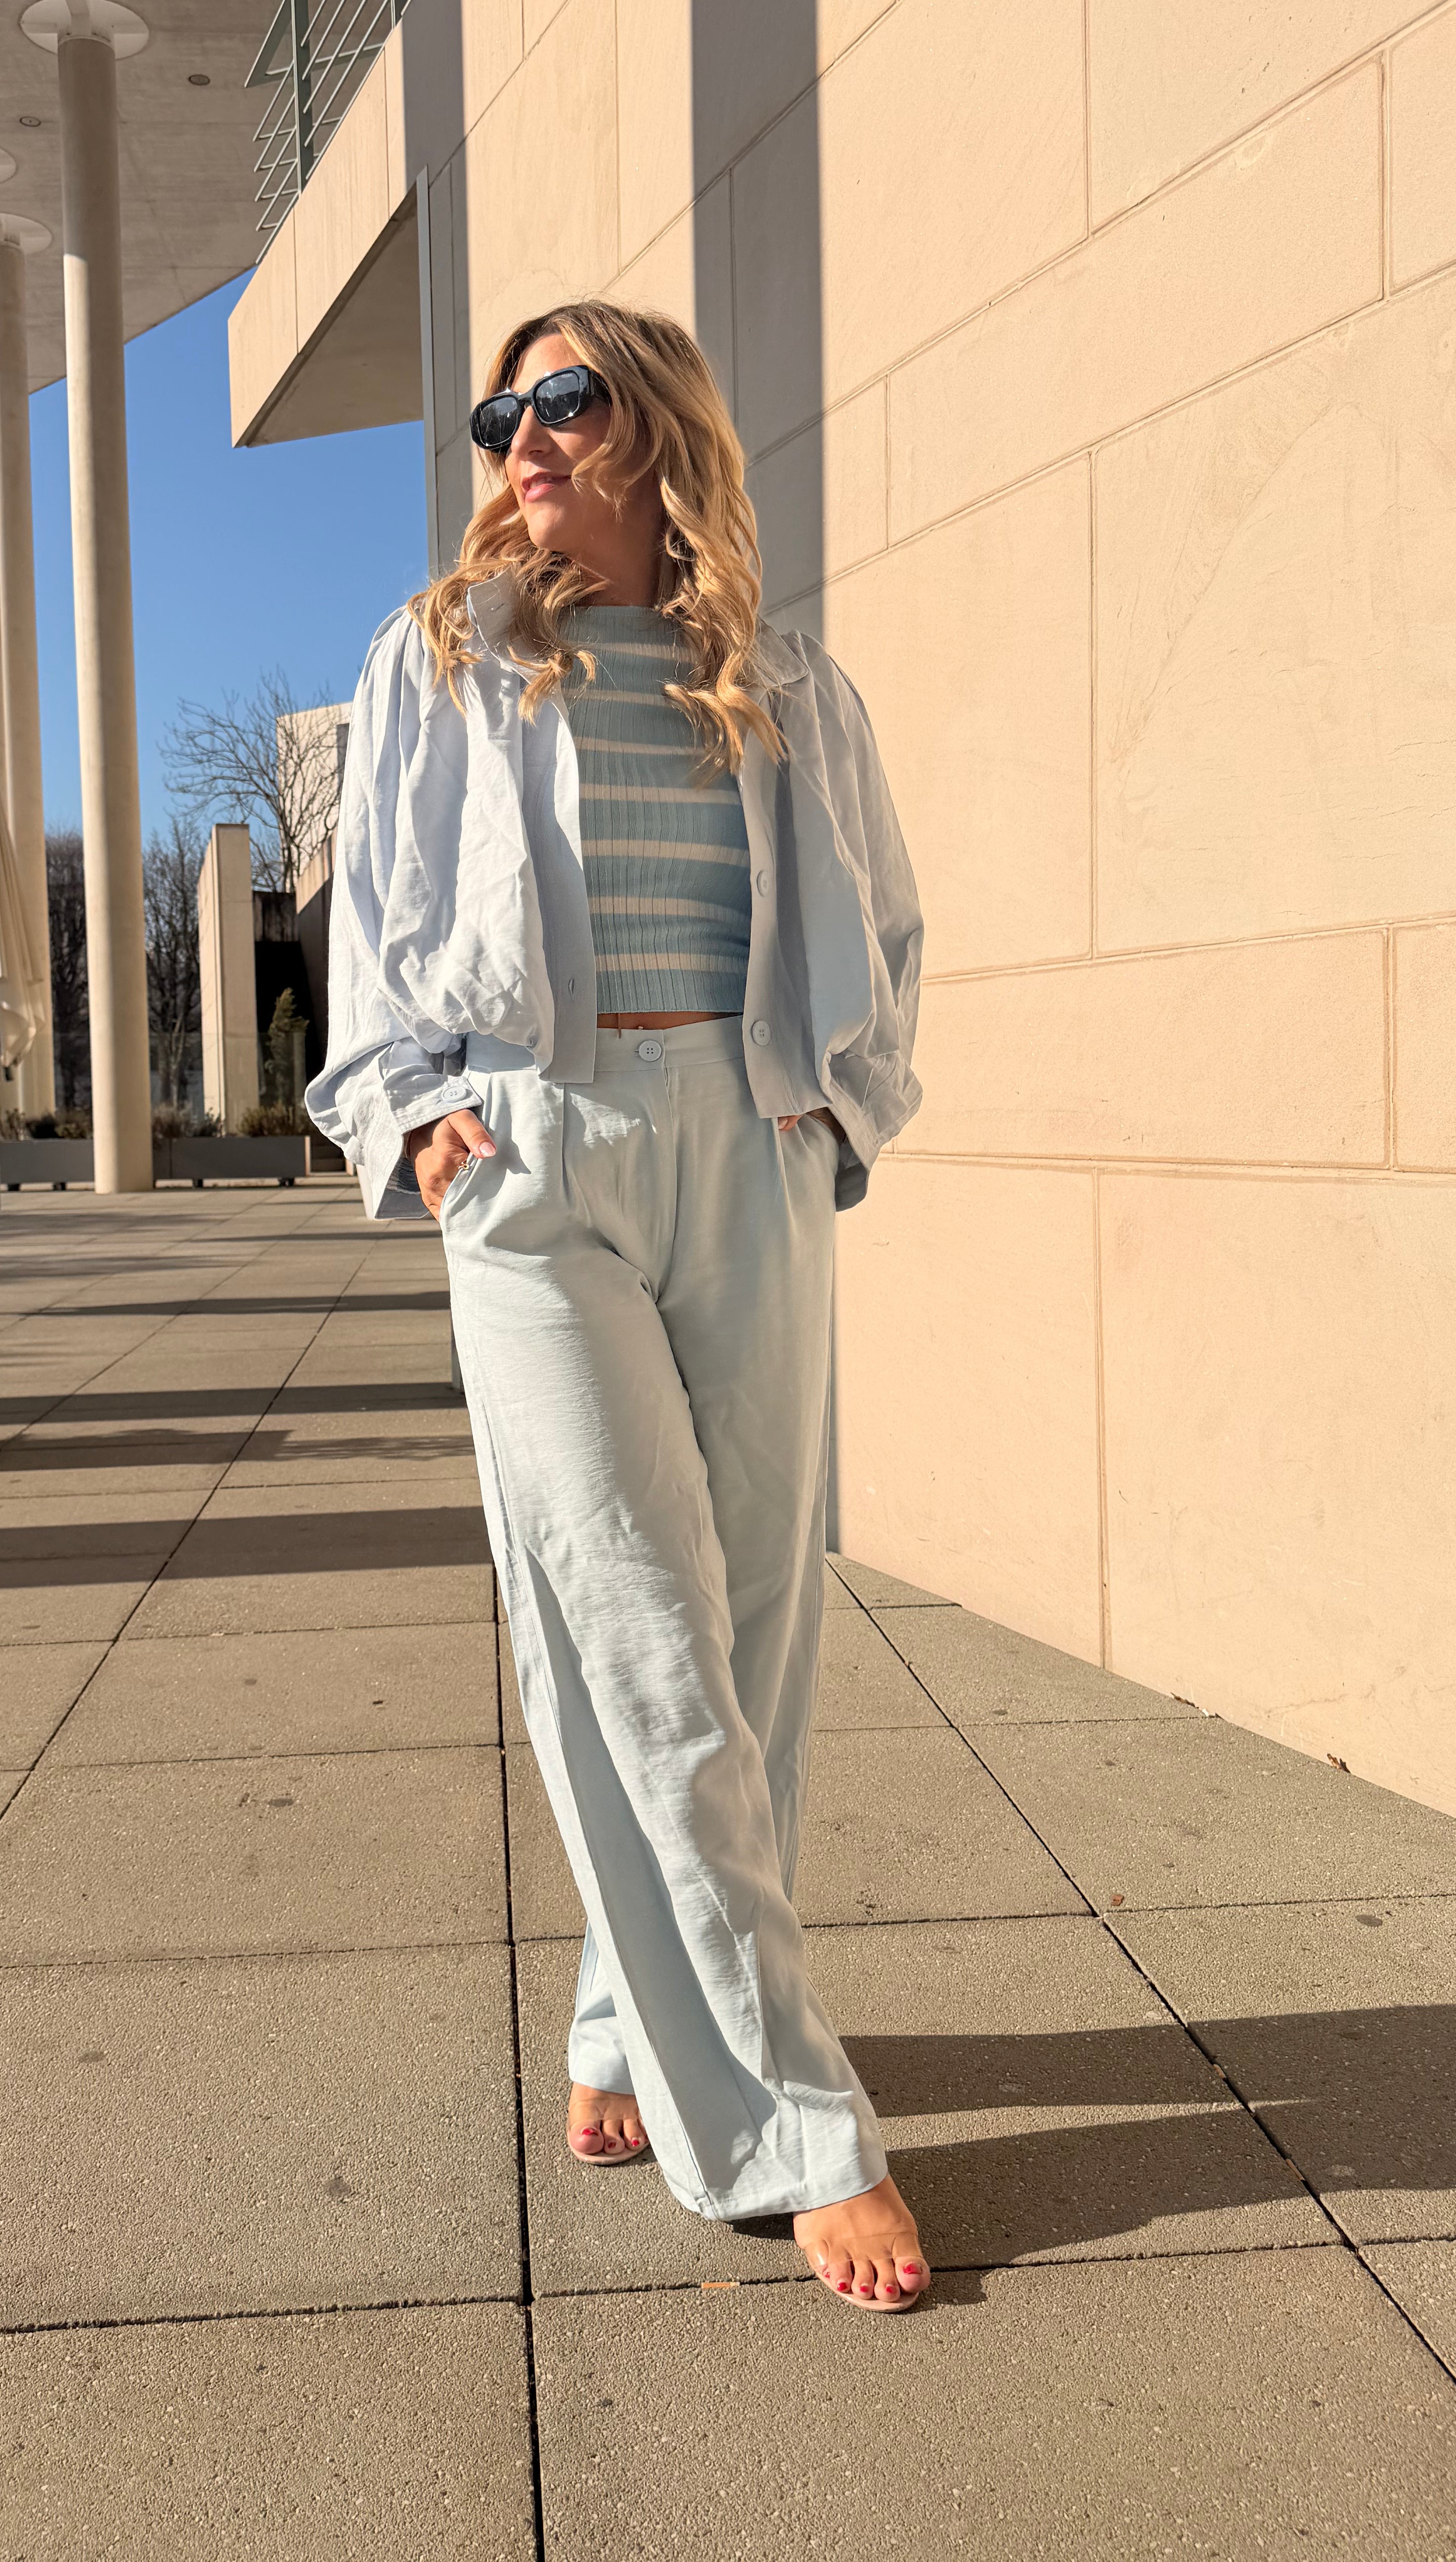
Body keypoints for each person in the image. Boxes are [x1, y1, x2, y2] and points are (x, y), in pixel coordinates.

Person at [307, 300, 928, 2312]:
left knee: (748, 1633)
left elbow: (883, 916)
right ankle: (791, 2125)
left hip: (748, 1144)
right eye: (503, 410)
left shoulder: (788, 682)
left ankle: (621, 2016)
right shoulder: (444, 663)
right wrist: (409, 1113)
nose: (523, 438)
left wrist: (842, 1107)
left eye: (564, 400)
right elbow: (376, 922)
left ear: (657, 430)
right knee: (633, 1631)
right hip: (533, 1161)